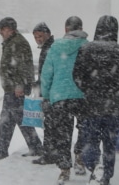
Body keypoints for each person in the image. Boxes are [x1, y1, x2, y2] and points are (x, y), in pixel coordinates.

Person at [73, 15, 119, 185]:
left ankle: (94, 167)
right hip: (113, 108)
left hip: (90, 106)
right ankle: (105, 175)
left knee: (91, 141)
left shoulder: (86, 50)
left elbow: (77, 76)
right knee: (109, 144)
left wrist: (88, 90)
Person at [0, 17, 43, 162]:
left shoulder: (18, 43)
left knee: (10, 119)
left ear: (9, 29)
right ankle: (33, 147)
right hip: (11, 88)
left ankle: (3, 150)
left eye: (2, 29)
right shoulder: (11, 42)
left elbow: (22, 66)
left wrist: (20, 85)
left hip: (15, 89)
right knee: (13, 119)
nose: (0, 32)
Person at [40, 16, 89, 184]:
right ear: (81, 28)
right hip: (83, 96)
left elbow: (47, 74)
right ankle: (80, 158)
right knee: (84, 129)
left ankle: (64, 169)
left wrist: (46, 95)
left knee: (63, 134)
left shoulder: (56, 47)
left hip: (60, 97)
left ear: (66, 29)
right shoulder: (88, 46)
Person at [30, 22, 57, 165]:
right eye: (35, 37)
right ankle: (52, 153)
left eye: (40, 36)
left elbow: (48, 73)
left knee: (50, 125)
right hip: (51, 92)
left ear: (47, 34)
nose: (38, 39)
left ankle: (50, 154)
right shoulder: (47, 47)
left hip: (50, 94)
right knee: (51, 124)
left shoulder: (50, 48)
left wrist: (42, 86)